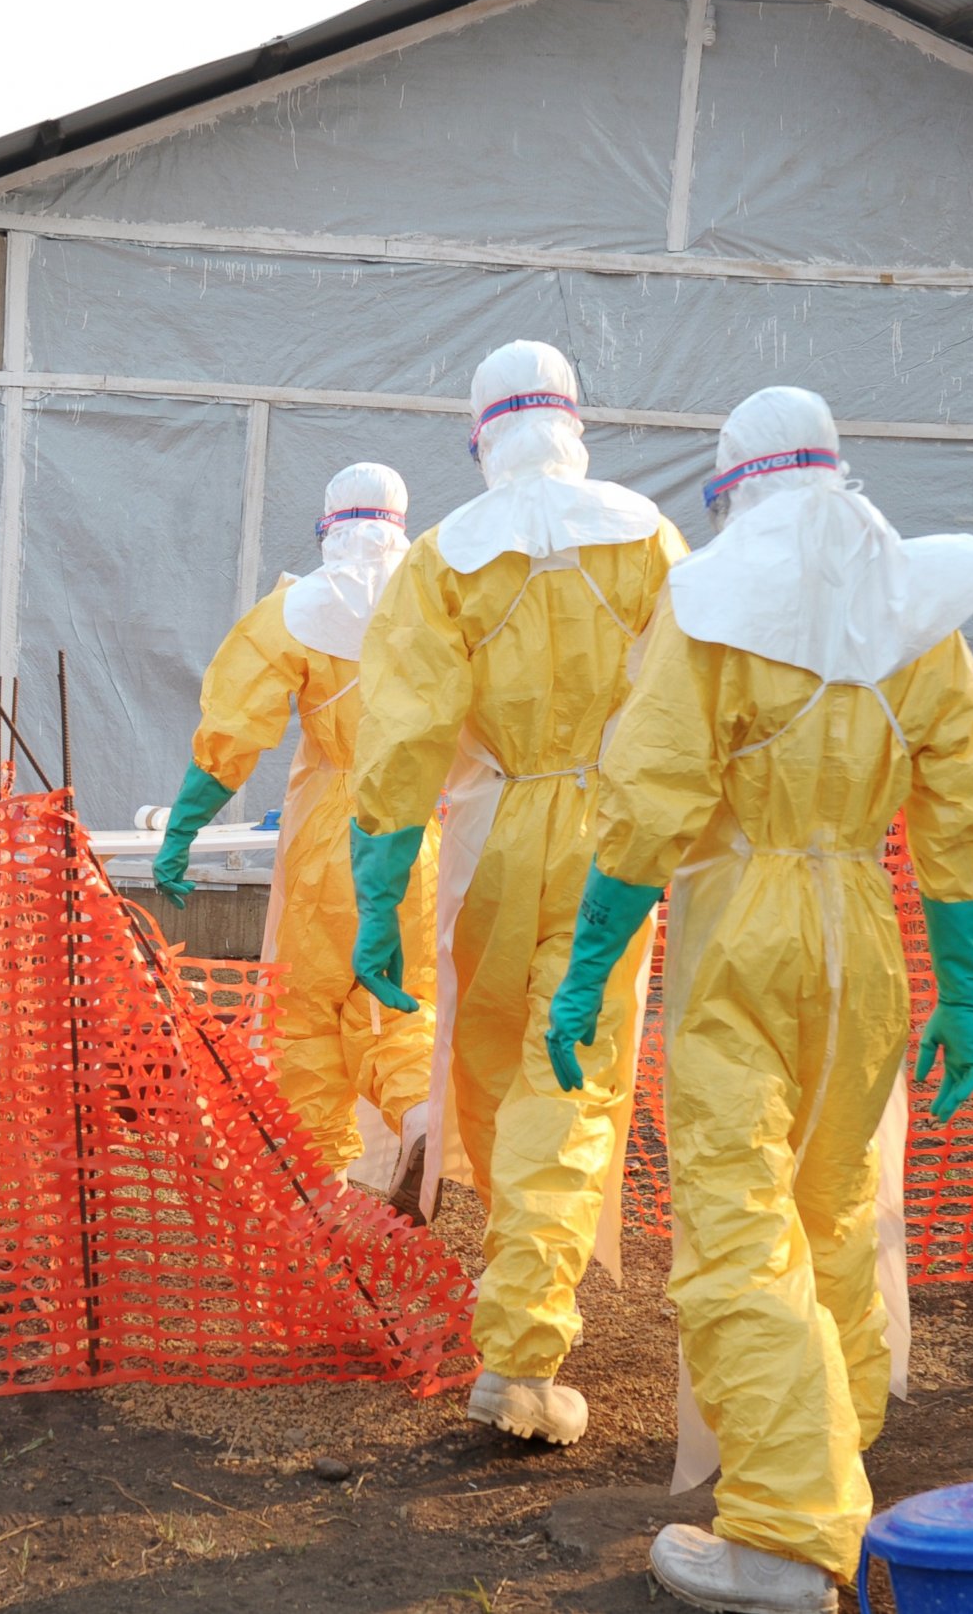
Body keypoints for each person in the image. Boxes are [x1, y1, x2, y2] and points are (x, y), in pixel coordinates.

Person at [544, 386, 973, 1611]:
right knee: (838, 1200)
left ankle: (785, 1537)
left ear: (733, 485)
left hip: (742, 927)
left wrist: (588, 973)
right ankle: (835, 1440)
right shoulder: (918, 614)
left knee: (738, 1220)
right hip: (864, 928)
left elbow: (647, 807)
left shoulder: (710, 610)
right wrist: (962, 997)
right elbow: (968, 808)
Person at [346, 340, 687, 1445]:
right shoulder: (646, 536)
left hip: (489, 837)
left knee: (496, 1073)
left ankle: (519, 1301)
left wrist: (376, 901)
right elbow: (693, 696)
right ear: (575, 421)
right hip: (613, 837)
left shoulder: (444, 558)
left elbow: (398, 744)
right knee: (572, 1076)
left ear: (481, 434)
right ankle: (526, 1339)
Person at [153, 462, 438, 1209]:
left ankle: (320, 1189)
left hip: (328, 840)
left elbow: (233, 729)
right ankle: (417, 1113)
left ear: (329, 525)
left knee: (306, 1015)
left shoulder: (299, 610)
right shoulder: (443, 600)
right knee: (402, 1001)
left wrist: (181, 832)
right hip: (415, 830)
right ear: (400, 523)